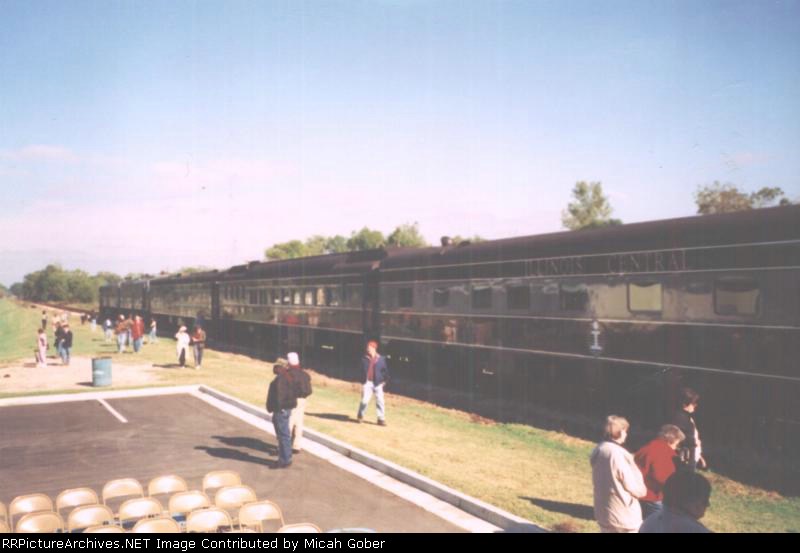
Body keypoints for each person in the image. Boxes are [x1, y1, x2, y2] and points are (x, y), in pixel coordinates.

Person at [590, 415, 647, 533]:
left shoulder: (599, 449)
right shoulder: (618, 455)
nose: (626, 434)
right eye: (626, 431)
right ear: (621, 432)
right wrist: (642, 490)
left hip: (604, 510)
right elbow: (635, 487)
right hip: (623, 513)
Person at [635, 424, 686, 519]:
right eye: (676, 444)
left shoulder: (645, 448)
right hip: (654, 497)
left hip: (638, 494)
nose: (676, 448)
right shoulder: (665, 452)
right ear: (672, 440)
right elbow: (663, 478)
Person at [639, 471, 713, 533]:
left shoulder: (651, 520)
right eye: (705, 500)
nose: (708, 505)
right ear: (691, 502)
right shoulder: (692, 529)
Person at [266, 360, 298, 468]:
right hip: (286, 408)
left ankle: (284, 460)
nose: (273, 369)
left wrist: (279, 408)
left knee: (283, 434)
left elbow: (279, 396)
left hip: (281, 410)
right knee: (285, 434)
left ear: (280, 367)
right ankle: (285, 457)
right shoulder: (288, 377)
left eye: (275, 367)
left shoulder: (281, 379)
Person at [671, 387, 707, 470]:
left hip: (691, 457)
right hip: (685, 460)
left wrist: (699, 455)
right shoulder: (680, 419)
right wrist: (689, 461)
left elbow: (693, 439)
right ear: (684, 404)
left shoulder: (687, 417)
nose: (696, 405)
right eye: (693, 403)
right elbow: (680, 443)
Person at [356, 340, 389, 426]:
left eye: (369, 348)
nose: (367, 349)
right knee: (364, 401)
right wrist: (362, 382)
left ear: (374, 348)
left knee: (380, 401)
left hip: (378, 383)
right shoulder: (364, 359)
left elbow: (385, 371)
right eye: (367, 348)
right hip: (367, 383)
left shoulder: (381, 359)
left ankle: (381, 419)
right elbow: (360, 371)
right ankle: (360, 415)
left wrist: (384, 381)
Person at [286, 352, 313, 453]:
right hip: (302, 400)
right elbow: (309, 390)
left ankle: (285, 445)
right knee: (299, 422)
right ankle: (296, 445)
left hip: (291, 400)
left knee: (289, 422)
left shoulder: (288, 374)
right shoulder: (305, 375)